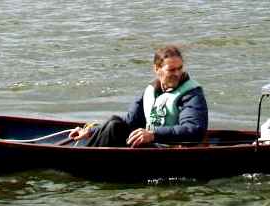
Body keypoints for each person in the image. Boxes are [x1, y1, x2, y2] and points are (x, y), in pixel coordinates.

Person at [68, 45, 208, 147]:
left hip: (170, 151)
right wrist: (91, 131)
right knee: (114, 123)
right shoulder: (151, 90)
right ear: (157, 69)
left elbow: (194, 130)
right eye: (171, 70)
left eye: (180, 68)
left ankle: (79, 162)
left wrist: (153, 134)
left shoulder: (192, 93)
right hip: (151, 145)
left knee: (114, 125)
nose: (177, 73)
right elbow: (131, 121)